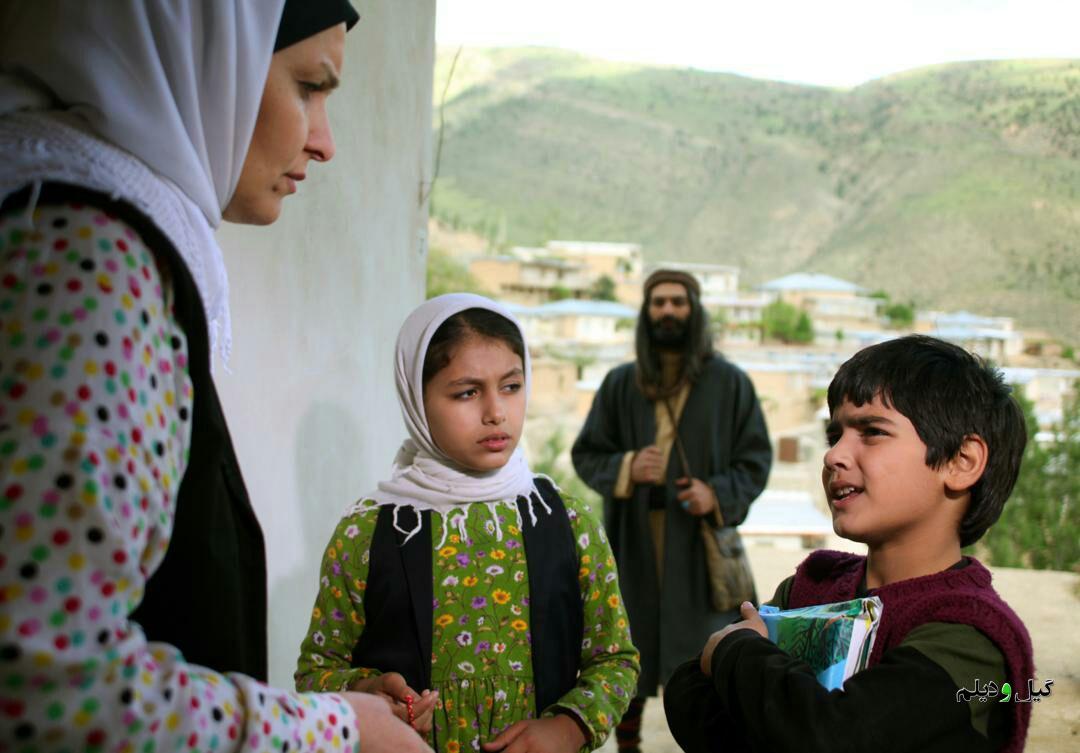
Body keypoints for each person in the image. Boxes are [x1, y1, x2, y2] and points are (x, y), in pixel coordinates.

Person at [0, 2, 429, 751]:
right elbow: (43, 685)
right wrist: (335, 732)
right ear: (200, 47)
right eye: (307, 86)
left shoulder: (59, 213)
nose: (324, 142)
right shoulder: (86, 259)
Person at [294, 293, 641, 753]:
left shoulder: (568, 522)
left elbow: (615, 658)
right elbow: (316, 672)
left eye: (511, 387)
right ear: (416, 399)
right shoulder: (368, 534)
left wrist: (568, 727)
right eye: (467, 392)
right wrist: (366, 692)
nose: (496, 411)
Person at [663, 335, 1034, 753]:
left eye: (872, 432)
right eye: (834, 435)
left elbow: (835, 737)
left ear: (961, 462)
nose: (834, 455)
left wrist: (734, 649)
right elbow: (687, 694)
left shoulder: (971, 638)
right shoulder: (809, 590)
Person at [571, 269, 772, 750]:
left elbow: (756, 458)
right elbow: (587, 453)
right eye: (658, 302)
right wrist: (626, 467)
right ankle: (628, 746)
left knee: (708, 657)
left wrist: (717, 494)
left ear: (694, 310)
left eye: (678, 302)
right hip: (634, 540)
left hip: (698, 543)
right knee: (629, 649)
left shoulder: (730, 384)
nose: (667, 311)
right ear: (646, 312)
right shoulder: (621, 384)